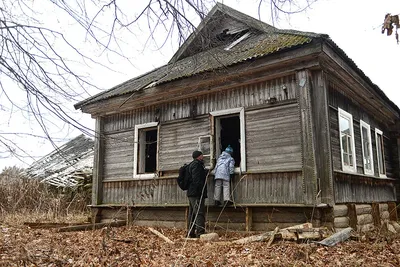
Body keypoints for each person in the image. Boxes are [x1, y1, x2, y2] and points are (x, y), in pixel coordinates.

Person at [187, 150, 208, 238]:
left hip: (192, 193)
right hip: (196, 193)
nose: (203, 156)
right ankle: (200, 233)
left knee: (192, 213)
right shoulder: (196, 165)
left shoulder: (192, 165)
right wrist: (200, 191)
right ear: (199, 156)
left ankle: (190, 232)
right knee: (199, 212)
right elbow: (197, 179)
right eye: (202, 155)